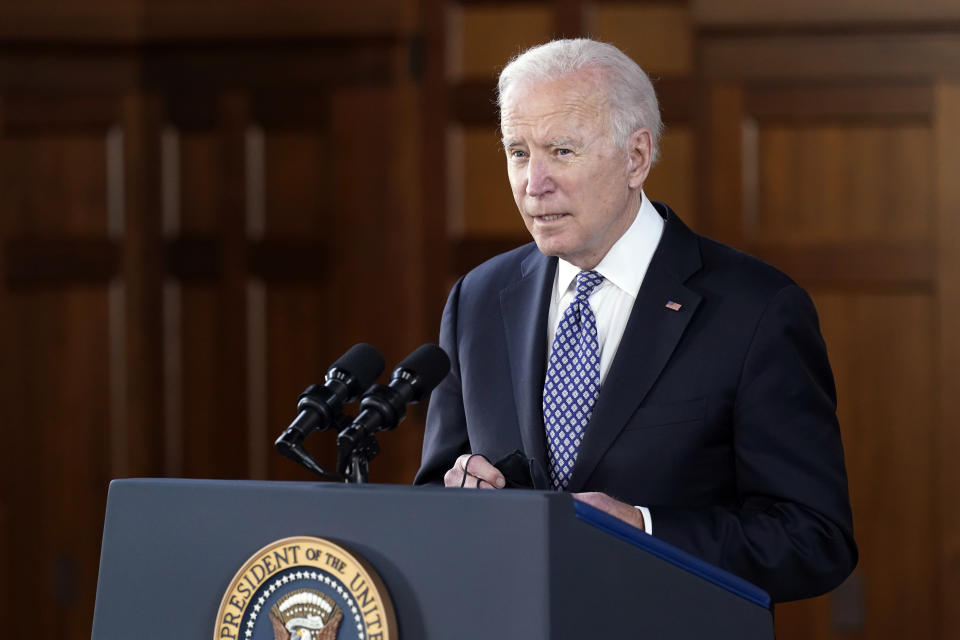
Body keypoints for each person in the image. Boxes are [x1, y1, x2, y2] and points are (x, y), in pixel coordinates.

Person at [414, 38, 856, 602]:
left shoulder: (756, 309)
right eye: (518, 152)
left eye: (562, 151)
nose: (533, 183)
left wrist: (646, 530)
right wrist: (460, 499)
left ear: (636, 157)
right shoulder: (478, 297)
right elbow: (435, 495)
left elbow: (816, 540)